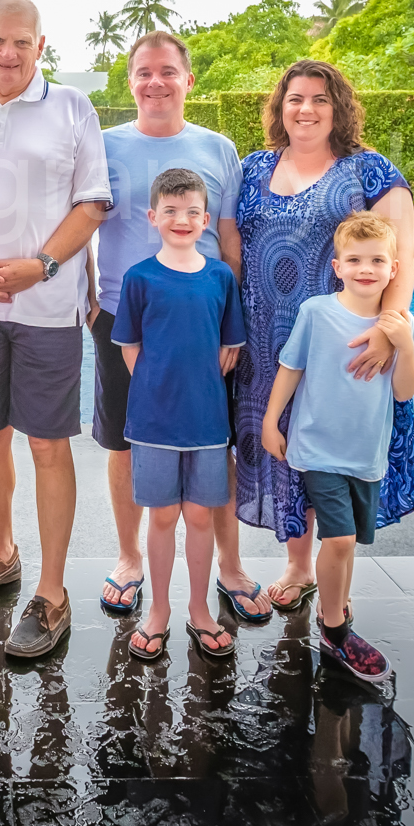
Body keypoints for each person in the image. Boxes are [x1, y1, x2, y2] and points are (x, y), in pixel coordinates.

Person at [0, 0, 110, 659]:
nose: (9, 53)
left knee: (46, 447)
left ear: (41, 45)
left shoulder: (71, 108)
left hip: (46, 309)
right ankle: (2, 554)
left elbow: (92, 204)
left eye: (22, 43)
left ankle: (53, 592)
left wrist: (35, 267)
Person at [222, 59, 414, 615]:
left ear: (339, 108)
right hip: (267, 343)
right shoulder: (254, 166)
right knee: (284, 441)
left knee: (329, 447)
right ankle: (299, 565)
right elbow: (230, 243)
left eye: (319, 99)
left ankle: (332, 580)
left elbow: (400, 261)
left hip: (345, 346)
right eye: (294, 99)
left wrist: (388, 332)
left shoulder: (371, 172)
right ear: (279, 108)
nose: (305, 109)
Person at [86, 31, 256, 628]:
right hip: (121, 316)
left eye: (166, 71)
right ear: (129, 81)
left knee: (216, 443)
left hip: (203, 319)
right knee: (123, 440)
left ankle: (229, 567)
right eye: (142, 72)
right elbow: (81, 223)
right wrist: (88, 296)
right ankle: (131, 558)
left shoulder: (218, 148)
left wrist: (229, 320)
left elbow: (228, 236)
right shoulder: (102, 145)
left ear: (188, 80)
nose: (154, 82)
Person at [259, 210, 414, 684]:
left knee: (348, 545)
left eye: (377, 260)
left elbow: (404, 391)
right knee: (342, 539)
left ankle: (336, 601)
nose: (365, 268)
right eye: (354, 259)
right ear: (337, 266)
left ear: (393, 269)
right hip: (319, 449)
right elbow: (290, 367)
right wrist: (272, 421)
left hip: (366, 456)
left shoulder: (400, 325)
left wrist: (403, 346)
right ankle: (335, 630)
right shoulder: (317, 312)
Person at [110, 168, 246, 664]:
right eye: (170, 211)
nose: (182, 219)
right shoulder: (139, 278)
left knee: (200, 518)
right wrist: (156, 395)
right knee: (163, 516)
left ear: (206, 219)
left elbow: (229, 348)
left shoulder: (220, 277)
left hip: (208, 424)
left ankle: (200, 608)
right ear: (153, 217)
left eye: (192, 212)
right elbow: (132, 349)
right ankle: (160, 610)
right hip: (153, 424)